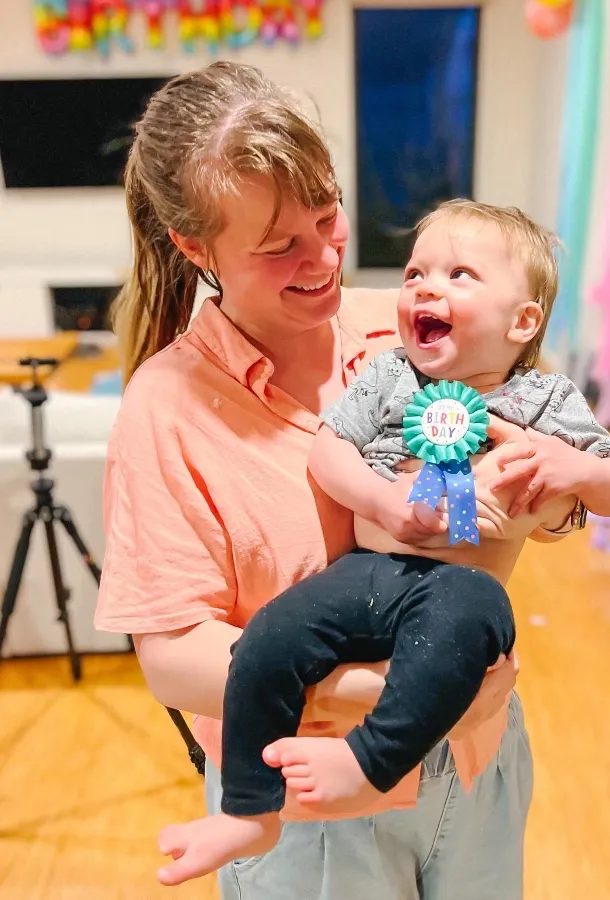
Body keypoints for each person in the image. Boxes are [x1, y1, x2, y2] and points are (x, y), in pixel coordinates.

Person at [95, 61, 582, 900]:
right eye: (279, 246)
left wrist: (557, 495)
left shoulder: (405, 329)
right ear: (194, 247)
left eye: (328, 216)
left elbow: (540, 446)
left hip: (475, 762)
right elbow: (173, 657)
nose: (322, 258)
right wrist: (412, 688)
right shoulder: (165, 409)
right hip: (309, 816)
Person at [154, 199, 610, 884]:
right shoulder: (387, 374)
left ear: (522, 320)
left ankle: (366, 764)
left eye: (460, 274)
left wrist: (577, 468)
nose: (424, 287)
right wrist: (384, 500)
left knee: (458, 642)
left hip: (460, 588)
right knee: (272, 634)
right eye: (416, 272)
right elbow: (329, 452)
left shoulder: (545, 401)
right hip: (371, 571)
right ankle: (247, 810)